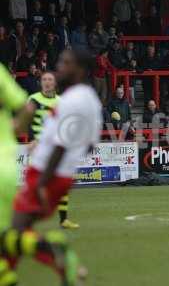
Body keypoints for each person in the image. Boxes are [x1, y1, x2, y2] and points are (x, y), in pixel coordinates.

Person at [0, 49, 102, 286]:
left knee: (11, 234)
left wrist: (43, 182)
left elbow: (61, 144)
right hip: (58, 175)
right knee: (11, 241)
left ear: (81, 70)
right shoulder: (90, 100)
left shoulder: (73, 100)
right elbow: (88, 145)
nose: (59, 68)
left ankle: (54, 249)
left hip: (47, 175)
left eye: (66, 63)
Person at [0, 63, 35, 234]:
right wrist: (15, 127)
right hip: (5, 164)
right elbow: (27, 107)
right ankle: (49, 249)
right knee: (8, 233)